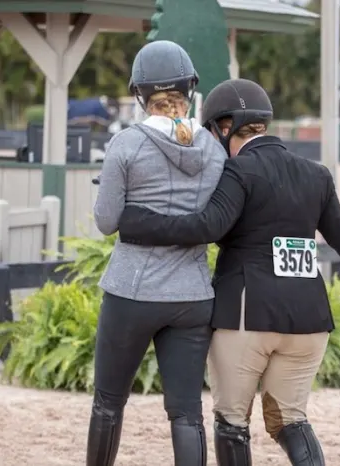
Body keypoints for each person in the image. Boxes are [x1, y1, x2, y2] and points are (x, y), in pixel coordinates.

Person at [116, 78, 340, 466]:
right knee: (290, 421)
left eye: (212, 131)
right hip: (308, 323)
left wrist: (136, 222)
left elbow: (206, 227)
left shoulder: (239, 172)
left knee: (231, 422)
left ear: (225, 127)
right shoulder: (316, 175)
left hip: (246, 319)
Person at [87, 40, 227, 466]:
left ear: (140, 95)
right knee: (186, 411)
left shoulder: (126, 145)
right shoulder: (211, 148)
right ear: (189, 90)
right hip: (190, 294)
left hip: (132, 291)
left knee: (109, 400)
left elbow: (106, 222)